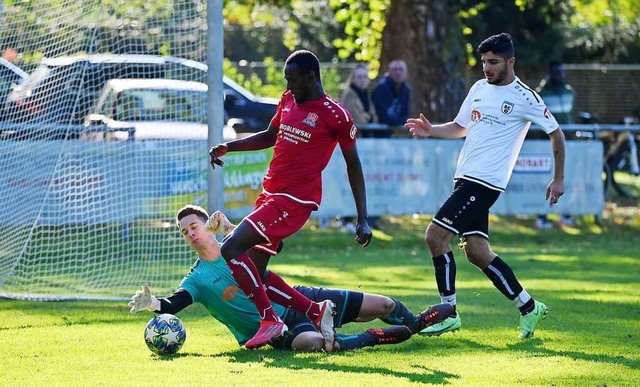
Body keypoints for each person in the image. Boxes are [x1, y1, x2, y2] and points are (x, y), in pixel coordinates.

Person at [208, 50, 373, 351]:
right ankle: (315, 311)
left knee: (230, 247)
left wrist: (362, 217)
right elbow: (271, 135)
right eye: (286, 79)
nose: (288, 86)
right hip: (270, 195)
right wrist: (229, 147)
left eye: (293, 80)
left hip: (294, 201)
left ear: (311, 77)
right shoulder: (287, 100)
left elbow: (354, 165)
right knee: (255, 275)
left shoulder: (336, 115)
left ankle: (270, 320)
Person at [404, 33, 566, 339]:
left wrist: (558, 179)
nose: (486, 68)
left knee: (435, 237)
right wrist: (431, 131)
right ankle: (529, 306)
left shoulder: (526, 97)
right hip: (464, 179)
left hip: (485, 183)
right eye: (484, 62)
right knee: (477, 252)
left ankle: (448, 312)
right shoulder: (478, 88)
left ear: (510, 62)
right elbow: (460, 127)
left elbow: (557, 134)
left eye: (493, 62)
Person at [128, 205, 453, 351]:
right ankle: (372, 337)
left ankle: (416, 323)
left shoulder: (238, 245)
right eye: (184, 232)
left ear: (207, 225)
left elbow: (272, 243)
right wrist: (155, 303)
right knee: (315, 344)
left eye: (194, 227)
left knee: (384, 303)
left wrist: (231, 229)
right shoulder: (197, 279)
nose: (190, 234)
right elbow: (176, 302)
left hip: (299, 298)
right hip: (275, 329)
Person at [535, 60, 576, 228]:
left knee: (567, 180)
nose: (560, 75)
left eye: (562, 71)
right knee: (546, 181)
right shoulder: (541, 94)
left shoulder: (569, 92)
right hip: (547, 146)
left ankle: (566, 215)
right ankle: (542, 216)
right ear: (550, 73)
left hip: (568, 145)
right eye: (556, 72)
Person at [338, 63, 378, 232]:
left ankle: (359, 218)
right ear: (353, 78)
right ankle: (346, 219)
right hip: (353, 144)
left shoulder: (366, 95)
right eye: (359, 77)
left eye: (364, 77)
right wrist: (367, 118)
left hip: (365, 144)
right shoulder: (350, 95)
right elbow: (358, 119)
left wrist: (368, 118)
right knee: (350, 180)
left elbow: (374, 117)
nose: (362, 80)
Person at [371, 59, 411, 136]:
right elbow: (383, 116)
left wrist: (400, 120)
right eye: (394, 70)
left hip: (393, 131)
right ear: (389, 72)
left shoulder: (406, 89)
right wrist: (400, 120)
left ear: (406, 73)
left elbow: (405, 114)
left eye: (401, 69)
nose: (398, 72)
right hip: (377, 132)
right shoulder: (381, 88)